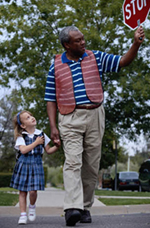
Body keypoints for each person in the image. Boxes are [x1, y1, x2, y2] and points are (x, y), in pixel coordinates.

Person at [44, 25, 145, 226]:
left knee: (91, 166)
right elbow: (50, 99)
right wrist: (53, 127)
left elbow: (123, 61)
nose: (83, 42)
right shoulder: (55, 66)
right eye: (78, 40)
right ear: (67, 45)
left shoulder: (95, 57)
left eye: (83, 38)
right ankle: (72, 207)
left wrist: (135, 43)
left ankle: (85, 207)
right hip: (69, 117)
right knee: (73, 162)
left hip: (95, 114)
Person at [10, 110, 60, 225]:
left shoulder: (41, 134)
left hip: (36, 165)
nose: (31, 118)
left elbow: (48, 150)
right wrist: (36, 143)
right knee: (22, 191)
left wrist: (57, 146)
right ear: (23, 125)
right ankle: (23, 214)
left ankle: (32, 206)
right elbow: (23, 150)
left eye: (31, 116)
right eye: (27, 118)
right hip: (24, 164)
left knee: (33, 191)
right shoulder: (21, 136)